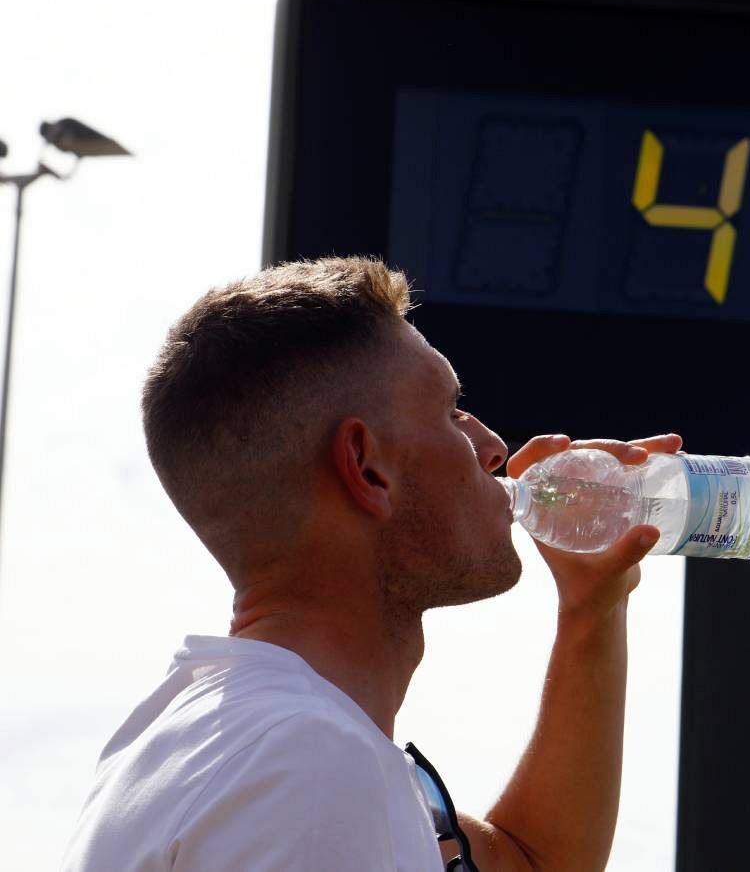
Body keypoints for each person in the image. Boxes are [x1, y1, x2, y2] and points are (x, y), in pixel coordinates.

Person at [62, 256, 677, 871]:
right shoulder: (309, 764)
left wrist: (593, 606)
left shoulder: (203, 740)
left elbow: (533, 861)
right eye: (452, 413)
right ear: (366, 466)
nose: (494, 447)